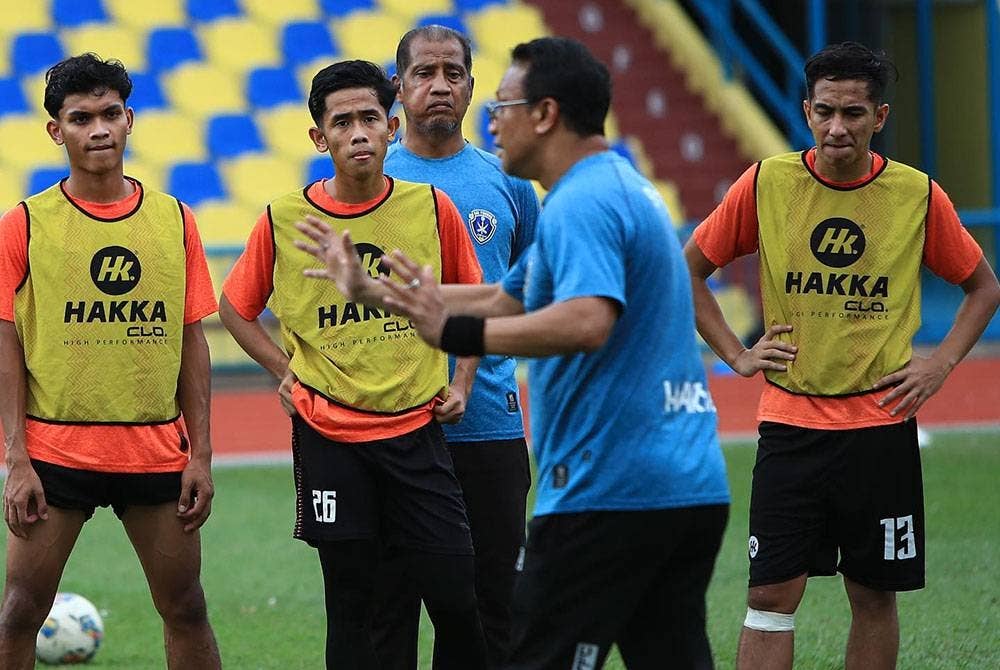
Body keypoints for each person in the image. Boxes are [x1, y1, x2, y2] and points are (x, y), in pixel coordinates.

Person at [297, 38, 731, 670]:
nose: (492, 119)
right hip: (687, 482)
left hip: (610, 485)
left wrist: (456, 338)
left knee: (526, 648)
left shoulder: (582, 202)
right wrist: (380, 292)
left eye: (503, 105)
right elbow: (506, 296)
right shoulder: (622, 185)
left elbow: (586, 321)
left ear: (546, 114)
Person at [681, 42, 1000, 670]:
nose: (836, 127)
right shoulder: (768, 183)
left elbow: (984, 287)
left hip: (880, 425)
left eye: (853, 113)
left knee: (874, 592)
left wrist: (939, 365)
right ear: (805, 109)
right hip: (791, 424)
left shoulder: (915, 195)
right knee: (770, 593)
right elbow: (687, 270)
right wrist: (737, 356)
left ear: (879, 117)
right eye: (824, 111)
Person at [218, 59, 488, 669]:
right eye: (342, 122)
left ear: (392, 127)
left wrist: (463, 379)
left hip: (417, 432)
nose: (359, 132)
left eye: (370, 117)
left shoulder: (431, 207)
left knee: (454, 594)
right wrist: (281, 369)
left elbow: (469, 300)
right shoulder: (284, 218)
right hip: (329, 437)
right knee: (351, 601)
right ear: (320, 137)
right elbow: (235, 309)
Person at [0, 54, 221, 669]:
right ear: (55, 130)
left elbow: (192, 342)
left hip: (154, 448)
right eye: (80, 117)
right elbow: (5, 343)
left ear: (130, 120)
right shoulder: (23, 224)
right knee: (18, 611)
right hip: (55, 451)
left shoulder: (174, 219)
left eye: (109, 114)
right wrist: (16, 458)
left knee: (187, 609)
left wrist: (200, 453)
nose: (98, 129)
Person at [373, 25, 540, 669]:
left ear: (472, 85)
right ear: (400, 85)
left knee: (489, 607)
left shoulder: (509, 183)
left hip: (488, 427)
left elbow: (536, 290)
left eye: (453, 73)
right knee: (390, 608)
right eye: (424, 73)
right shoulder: (366, 179)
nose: (439, 86)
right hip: (387, 431)